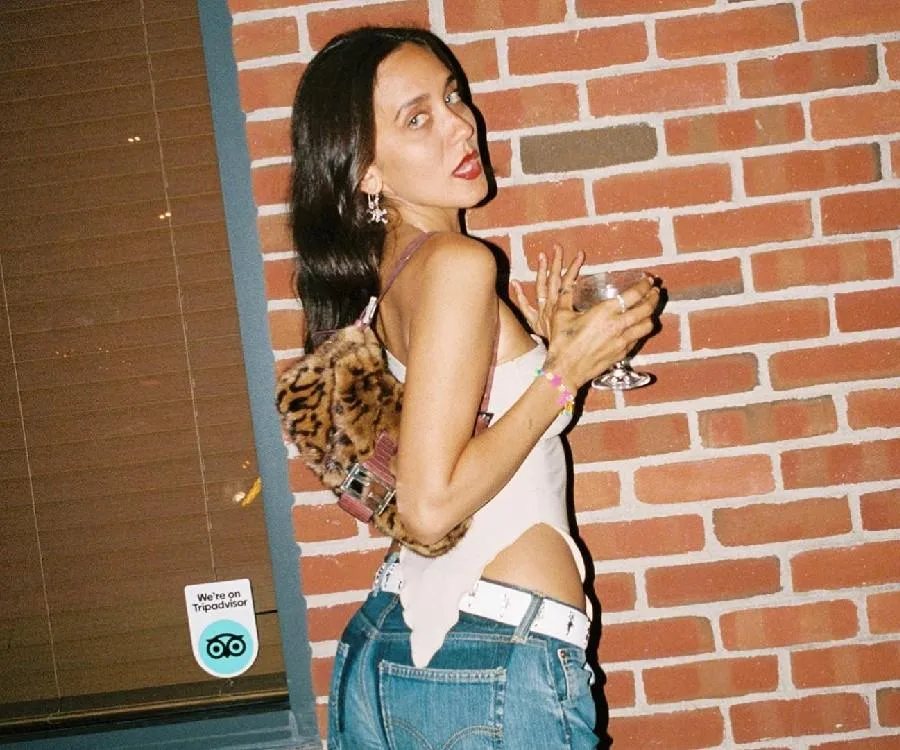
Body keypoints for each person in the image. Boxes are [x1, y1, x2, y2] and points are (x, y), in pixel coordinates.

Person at [288, 26, 660, 750]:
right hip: (490, 663)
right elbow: (428, 510)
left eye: (453, 97)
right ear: (367, 171)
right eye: (417, 117)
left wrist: (555, 358)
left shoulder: (394, 273)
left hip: (398, 646)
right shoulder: (457, 263)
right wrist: (563, 373)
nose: (461, 124)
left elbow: (472, 454)